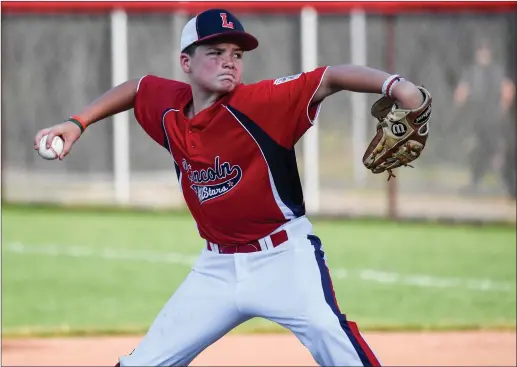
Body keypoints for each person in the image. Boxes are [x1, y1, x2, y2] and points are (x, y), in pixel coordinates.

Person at [34, 9, 425, 367]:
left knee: (332, 339)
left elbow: (330, 77)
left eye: (237, 54)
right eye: (216, 51)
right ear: (185, 62)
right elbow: (137, 88)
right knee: (144, 363)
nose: (229, 60)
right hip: (215, 268)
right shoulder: (169, 106)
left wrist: (397, 86)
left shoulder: (261, 103)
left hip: (283, 257)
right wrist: (77, 122)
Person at [453, 38, 515, 196]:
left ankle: (505, 184)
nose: (483, 55)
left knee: (498, 150)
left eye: (486, 52)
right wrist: (460, 105)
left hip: (494, 117)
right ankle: (475, 182)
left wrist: (502, 108)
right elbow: (462, 92)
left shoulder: (496, 71)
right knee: (477, 150)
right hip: (477, 118)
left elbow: (508, 89)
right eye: (481, 52)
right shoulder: (471, 72)